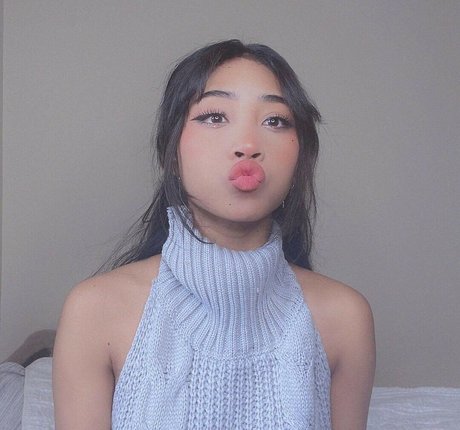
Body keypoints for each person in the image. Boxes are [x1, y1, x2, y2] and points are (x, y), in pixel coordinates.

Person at [53, 39, 375, 429]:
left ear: (300, 157)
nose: (247, 145)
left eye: (275, 121)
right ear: (172, 152)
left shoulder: (345, 317)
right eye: (215, 116)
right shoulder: (94, 310)